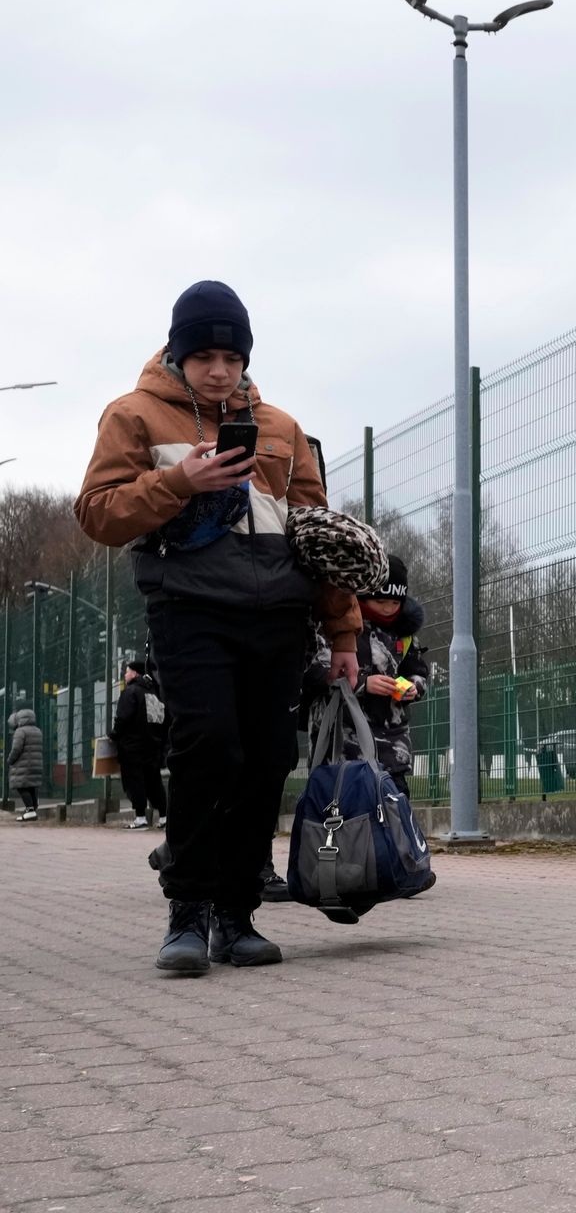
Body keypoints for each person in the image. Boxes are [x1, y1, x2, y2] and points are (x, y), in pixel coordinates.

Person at [75, 280, 360, 976]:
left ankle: (237, 916)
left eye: (232, 356)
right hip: (190, 610)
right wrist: (181, 483)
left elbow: (318, 537)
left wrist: (344, 633)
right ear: (178, 352)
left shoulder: (283, 428)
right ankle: (188, 913)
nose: (219, 369)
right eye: (203, 354)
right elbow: (97, 512)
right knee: (209, 749)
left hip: (278, 619)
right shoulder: (133, 417)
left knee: (265, 759)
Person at [304, 552, 430, 796]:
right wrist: (363, 684)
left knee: (393, 816)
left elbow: (418, 671)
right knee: (345, 817)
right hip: (341, 749)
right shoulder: (335, 626)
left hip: (393, 749)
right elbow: (313, 673)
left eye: (395, 603)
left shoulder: (403, 633)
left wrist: (414, 687)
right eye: (380, 601)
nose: (388, 609)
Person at [112, 661, 169, 829]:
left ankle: (140, 817)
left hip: (132, 747)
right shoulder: (153, 691)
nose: (125, 674)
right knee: (154, 781)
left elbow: (123, 718)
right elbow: (160, 719)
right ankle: (164, 816)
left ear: (135, 673)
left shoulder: (130, 692)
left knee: (134, 781)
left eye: (127, 671)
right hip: (152, 745)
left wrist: (114, 734)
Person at [7, 707, 42, 822]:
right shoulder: (37, 730)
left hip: (23, 764)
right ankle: (32, 809)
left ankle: (30, 810)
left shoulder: (20, 731)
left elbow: (16, 749)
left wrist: (10, 760)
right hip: (36, 764)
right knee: (31, 786)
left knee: (21, 786)